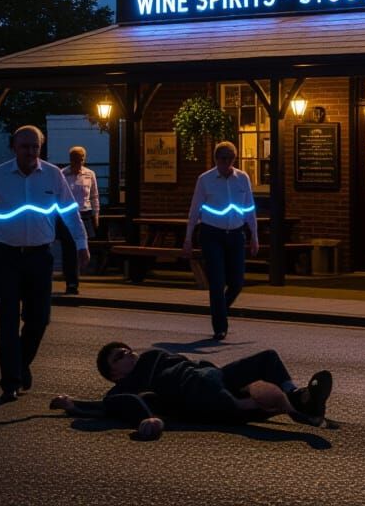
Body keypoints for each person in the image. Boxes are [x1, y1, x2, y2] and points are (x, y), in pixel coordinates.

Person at [0, 125, 89, 402]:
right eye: (25, 146)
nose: (31, 152)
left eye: (35, 147)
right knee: (8, 319)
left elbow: (70, 213)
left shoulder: (53, 175)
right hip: (4, 255)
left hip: (39, 255)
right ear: (14, 147)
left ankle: (20, 365)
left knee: (39, 319)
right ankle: (10, 381)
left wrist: (82, 244)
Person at [49, 343, 333, 440]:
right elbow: (111, 405)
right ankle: (300, 407)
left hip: (215, 375)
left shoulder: (151, 357)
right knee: (248, 404)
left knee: (267, 358)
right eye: (119, 356)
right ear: (114, 373)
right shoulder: (128, 387)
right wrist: (73, 406)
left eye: (126, 350)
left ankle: (300, 397)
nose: (128, 353)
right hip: (202, 396)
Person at [183, 141, 259, 341]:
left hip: (235, 233)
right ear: (216, 159)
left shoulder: (242, 178)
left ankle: (220, 310)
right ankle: (220, 327)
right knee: (217, 281)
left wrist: (254, 236)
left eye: (230, 159)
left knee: (237, 282)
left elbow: (250, 208)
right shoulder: (205, 180)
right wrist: (188, 237)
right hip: (211, 233)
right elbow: (194, 209)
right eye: (222, 159)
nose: (226, 163)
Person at [57, 145, 100, 294]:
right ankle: (72, 282)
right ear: (70, 159)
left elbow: (94, 196)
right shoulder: (63, 174)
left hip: (84, 212)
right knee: (69, 248)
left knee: (81, 247)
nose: (78, 163)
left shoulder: (89, 174)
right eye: (75, 160)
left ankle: (77, 275)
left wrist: (96, 214)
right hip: (68, 214)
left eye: (81, 159)